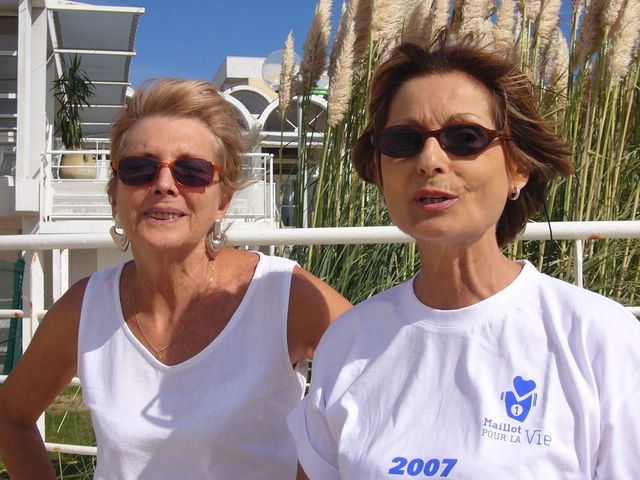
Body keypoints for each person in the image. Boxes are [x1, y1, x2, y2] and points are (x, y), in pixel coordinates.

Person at [287, 32, 640, 479]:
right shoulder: (349, 342)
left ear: (518, 167)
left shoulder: (599, 339)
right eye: (403, 141)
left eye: (465, 137)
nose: (430, 159)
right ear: (379, 170)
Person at [0, 79, 351, 479]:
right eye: (139, 169)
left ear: (223, 200)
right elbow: (11, 415)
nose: (164, 184)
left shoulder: (280, 294)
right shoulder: (86, 308)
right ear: (115, 196)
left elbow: (384, 378)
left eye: (192, 171)